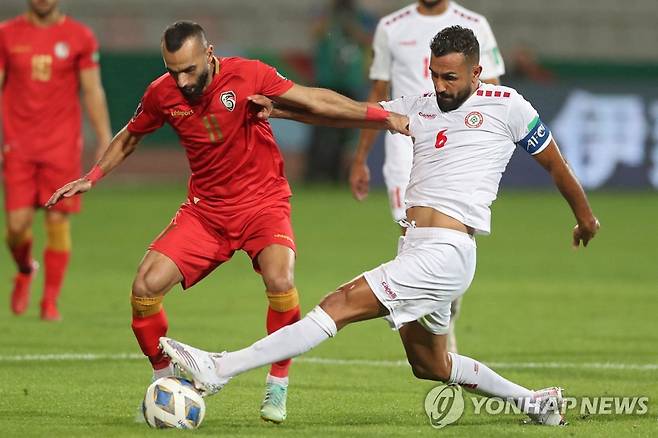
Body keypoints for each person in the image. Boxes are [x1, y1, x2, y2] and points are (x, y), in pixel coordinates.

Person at [159, 26, 600, 427]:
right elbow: (345, 113)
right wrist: (281, 112)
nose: (441, 86)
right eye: (435, 75)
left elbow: (557, 167)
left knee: (339, 304)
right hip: (416, 248)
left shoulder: (510, 108)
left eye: (451, 77)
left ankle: (220, 368)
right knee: (430, 364)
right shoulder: (418, 105)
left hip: (448, 251)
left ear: (477, 72)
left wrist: (585, 218)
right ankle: (535, 403)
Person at [46, 21, 408, 423]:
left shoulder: (249, 73)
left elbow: (312, 100)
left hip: (263, 204)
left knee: (280, 279)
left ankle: (278, 382)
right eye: (173, 70)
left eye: (189, 69)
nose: (182, 80)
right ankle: (164, 381)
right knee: (144, 287)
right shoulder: (161, 94)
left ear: (209, 54)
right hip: (206, 212)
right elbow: (131, 136)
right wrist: (91, 176)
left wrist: (380, 116)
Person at [350, 0, 506, 354]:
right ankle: (431, 333)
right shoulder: (391, 26)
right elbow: (378, 96)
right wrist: (361, 157)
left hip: (457, 147)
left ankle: (439, 326)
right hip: (406, 146)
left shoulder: (473, 23)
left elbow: (494, 91)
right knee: (413, 234)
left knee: (448, 233)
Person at [0, 0, 112, 321]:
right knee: (16, 228)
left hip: (61, 146)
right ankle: (25, 269)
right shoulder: (7, 34)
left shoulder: (80, 37)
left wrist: (104, 136)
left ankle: (49, 302)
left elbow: (92, 90)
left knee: (57, 221)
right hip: (18, 145)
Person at [306, 0, 375, 182]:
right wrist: (330, 16)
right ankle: (318, 176)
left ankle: (344, 176)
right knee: (323, 132)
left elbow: (371, 39)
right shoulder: (325, 13)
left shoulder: (362, 16)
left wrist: (352, 28)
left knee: (349, 135)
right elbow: (315, 33)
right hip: (326, 82)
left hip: (351, 83)